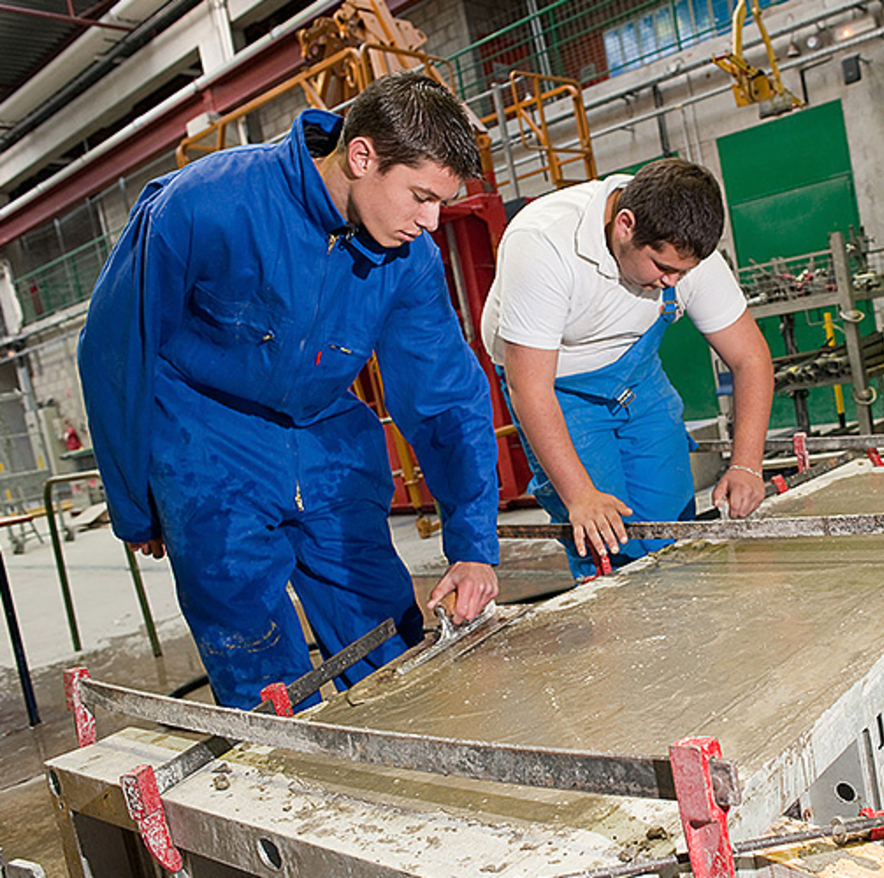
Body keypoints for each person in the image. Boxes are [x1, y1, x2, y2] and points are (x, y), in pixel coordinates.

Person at [78, 73, 500, 709]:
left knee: (390, 637)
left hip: (327, 441)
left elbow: (443, 392)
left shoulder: (409, 257)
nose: (431, 221)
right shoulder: (204, 205)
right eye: (419, 197)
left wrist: (472, 544)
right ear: (361, 157)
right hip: (206, 444)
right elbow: (115, 351)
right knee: (259, 663)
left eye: (442, 201)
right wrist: (136, 503)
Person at [481, 158, 774, 581]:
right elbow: (530, 389)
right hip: (558, 390)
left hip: (638, 380)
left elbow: (750, 358)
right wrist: (581, 495)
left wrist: (747, 464)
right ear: (625, 224)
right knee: (605, 540)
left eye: (684, 272)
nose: (674, 281)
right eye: (663, 268)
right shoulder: (543, 242)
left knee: (673, 533)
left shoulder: (685, 248)